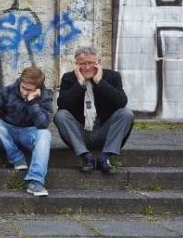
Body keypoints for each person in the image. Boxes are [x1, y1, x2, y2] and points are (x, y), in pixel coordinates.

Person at [53, 46, 134, 175]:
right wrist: (79, 83)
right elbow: (63, 104)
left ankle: (105, 156)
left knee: (126, 113)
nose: (86, 67)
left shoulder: (112, 76)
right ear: (76, 65)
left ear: (99, 63)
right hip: (79, 133)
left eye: (91, 63)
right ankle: (86, 156)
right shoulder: (69, 78)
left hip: (105, 132)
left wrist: (100, 82)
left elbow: (121, 102)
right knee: (61, 115)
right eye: (82, 64)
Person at [0, 66, 53, 197]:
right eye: (23, 87)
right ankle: (17, 158)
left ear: (37, 88)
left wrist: (32, 101)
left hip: (29, 133)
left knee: (45, 134)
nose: (24, 92)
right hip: (8, 130)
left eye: (29, 90)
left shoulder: (45, 96)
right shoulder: (10, 90)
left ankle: (35, 181)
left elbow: (42, 124)